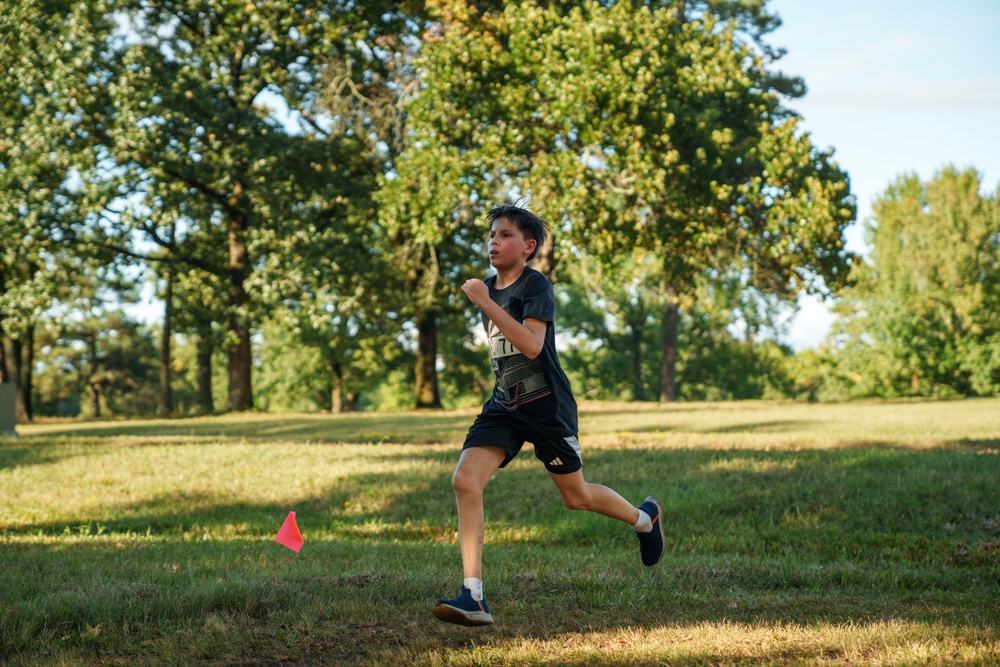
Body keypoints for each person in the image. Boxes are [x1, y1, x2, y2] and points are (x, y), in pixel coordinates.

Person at [431, 203, 665, 627]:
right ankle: (473, 595)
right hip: (504, 406)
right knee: (465, 479)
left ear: (528, 246)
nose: (494, 242)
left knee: (575, 497)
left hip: (547, 409)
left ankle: (644, 519)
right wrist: (486, 298)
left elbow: (533, 345)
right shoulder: (488, 287)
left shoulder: (535, 286)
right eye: (492, 235)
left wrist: (485, 302)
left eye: (505, 235)